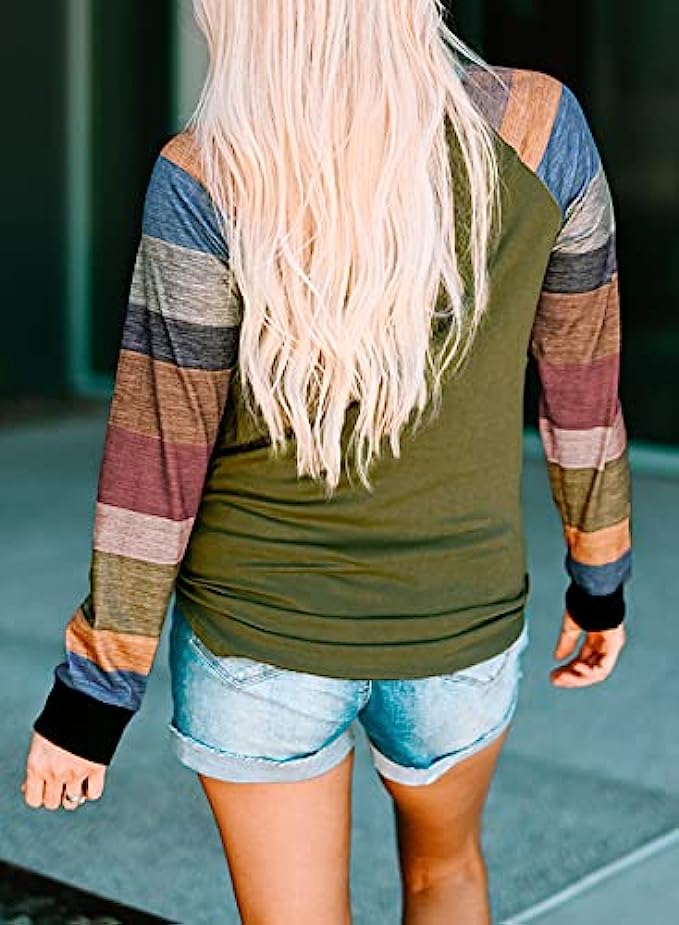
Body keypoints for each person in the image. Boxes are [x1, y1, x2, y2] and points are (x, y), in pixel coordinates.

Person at [21, 2, 631, 923]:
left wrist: (96, 692)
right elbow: (583, 388)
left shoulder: (207, 171)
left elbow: (158, 454)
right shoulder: (540, 128)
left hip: (257, 643)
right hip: (457, 624)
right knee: (446, 874)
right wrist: (599, 581)